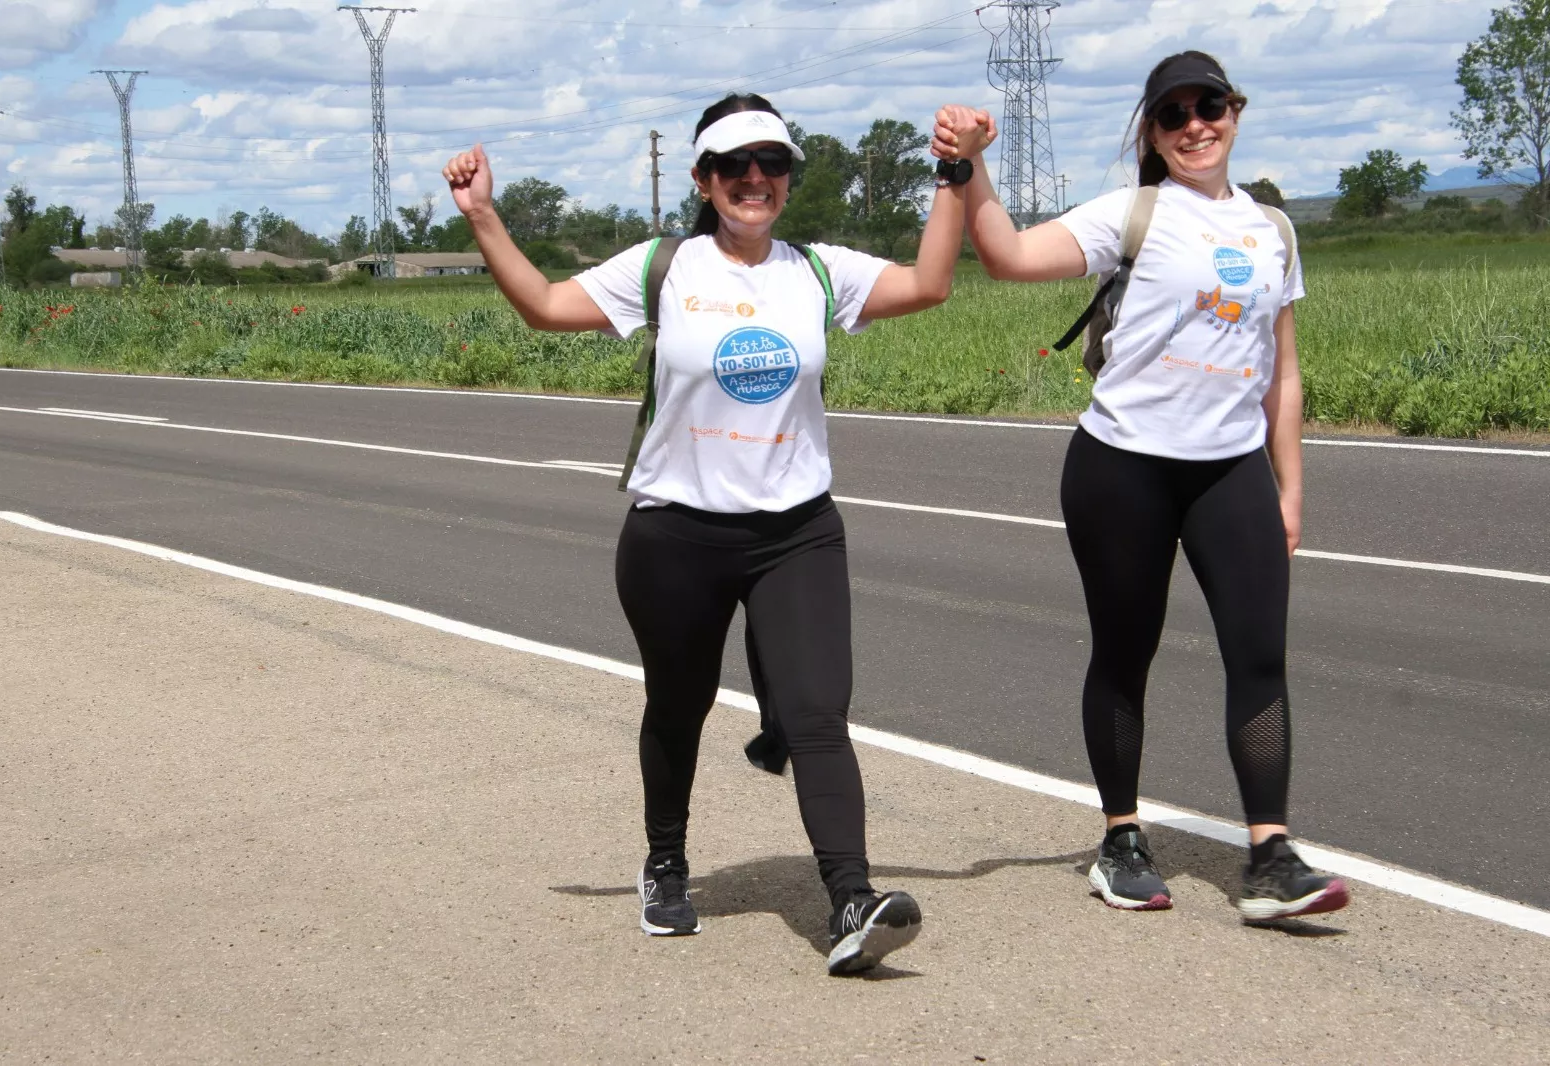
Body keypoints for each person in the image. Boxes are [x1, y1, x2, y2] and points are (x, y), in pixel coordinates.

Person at [443, 92, 969, 972]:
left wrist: (954, 172)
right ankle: (666, 861)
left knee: (816, 715)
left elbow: (931, 282)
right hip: (675, 535)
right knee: (678, 705)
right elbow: (541, 303)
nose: (755, 180)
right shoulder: (663, 266)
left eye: (772, 165)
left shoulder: (818, 269)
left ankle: (850, 901)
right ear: (704, 178)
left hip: (797, 531)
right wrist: (485, 216)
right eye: (735, 166)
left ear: (789, 179)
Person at [931, 52, 1350, 921]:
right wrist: (969, 166)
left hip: (1230, 471)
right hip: (1122, 467)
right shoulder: (1133, 213)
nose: (1197, 126)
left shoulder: (1274, 229)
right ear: (1152, 134)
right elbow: (1005, 256)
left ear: (1236, 112)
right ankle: (1120, 838)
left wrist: (1291, 488)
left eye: (1212, 107)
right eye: (1175, 115)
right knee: (1127, 656)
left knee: (1260, 657)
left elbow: (1284, 374)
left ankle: (1270, 854)